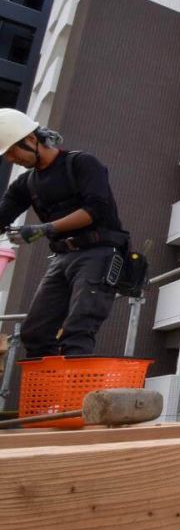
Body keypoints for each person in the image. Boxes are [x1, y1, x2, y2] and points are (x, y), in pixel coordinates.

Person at [0, 110, 128, 357]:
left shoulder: (82, 163)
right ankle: (49, 394)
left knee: (78, 330)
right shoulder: (26, 184)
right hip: (62, 258)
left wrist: (46, 229)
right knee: (34, 333)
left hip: (99, 253)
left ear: (30, 139)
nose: (10, 159)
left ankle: (72, 392)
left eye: (11, 151)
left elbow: (95, 210)